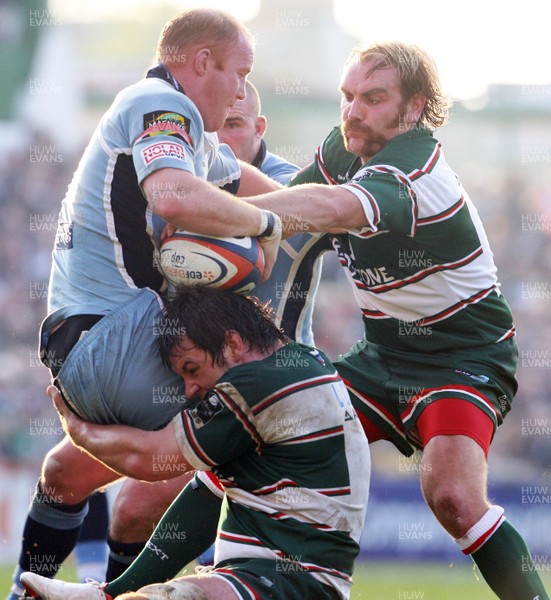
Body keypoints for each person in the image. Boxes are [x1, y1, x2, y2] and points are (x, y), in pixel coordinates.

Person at [244, 41, 548, 600]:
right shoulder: (348, 144)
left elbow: (327, 210)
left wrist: (222, 207)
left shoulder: (416, 171)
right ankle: (121, 590)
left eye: (374, 98)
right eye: (349, 96)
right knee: (259, 433)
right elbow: (292, 207)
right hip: (383, 357)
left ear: (414, 107)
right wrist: (213, 188)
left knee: (452, 495)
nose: (354, 111)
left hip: (464, 361)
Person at [5, 9, 284, 600]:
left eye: (247, 87)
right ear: (200, 62)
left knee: (71, 476)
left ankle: (28, 591)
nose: (239, 87)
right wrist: (263, 227)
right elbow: (175, 195)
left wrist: (351, 211)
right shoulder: (163, 104)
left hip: (87, 352)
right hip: (119, 343)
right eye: (238, 71)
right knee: (259, 428)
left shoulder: (196, 142)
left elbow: (276, 192)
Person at [102, 80, 331, 580]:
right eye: (215, 128)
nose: (223, 141)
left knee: (209, 517)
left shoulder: (282, 188)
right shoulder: (183, 182)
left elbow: (335, 216)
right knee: (102, 493)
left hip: (275, 384)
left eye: (236, 125)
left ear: (259, 128)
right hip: (205, 378)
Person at [21, 285, 371, 600]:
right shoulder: (299, 367)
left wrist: (77, 428)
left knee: (178, 597)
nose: (189, 389)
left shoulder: (258, 384)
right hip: (276, 577)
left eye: (191, 368)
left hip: (290, 581)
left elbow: (149, 460)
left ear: (232, 343)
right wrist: (112, 593)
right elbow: (200, 504)